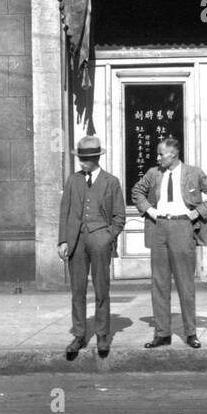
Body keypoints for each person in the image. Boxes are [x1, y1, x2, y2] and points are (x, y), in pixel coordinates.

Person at [132, 136, 207, 349]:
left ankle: (191, 333)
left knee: (185, 283)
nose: (157, 158)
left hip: (183, 228)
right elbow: (136, 192)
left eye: (161, 154)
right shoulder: (153, 174)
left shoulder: (193, 173)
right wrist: (151, 211)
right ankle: (162, 334)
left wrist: (198, 213)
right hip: (159, 228)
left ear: (173, 154)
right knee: (159, 283)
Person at [57, 135, 126, 359]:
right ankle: (79, 334)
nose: (82, 163)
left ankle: (103, 334)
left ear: (96, 158)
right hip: (76, 242)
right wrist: (63, 240)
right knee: (77, 290)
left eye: (86, 159)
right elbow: (64, 212)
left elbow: (119, 217)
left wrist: (107, 237)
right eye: (80, 158)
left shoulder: (111, 181)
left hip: (100, 241)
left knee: (101, 289)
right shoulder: (73, 180)